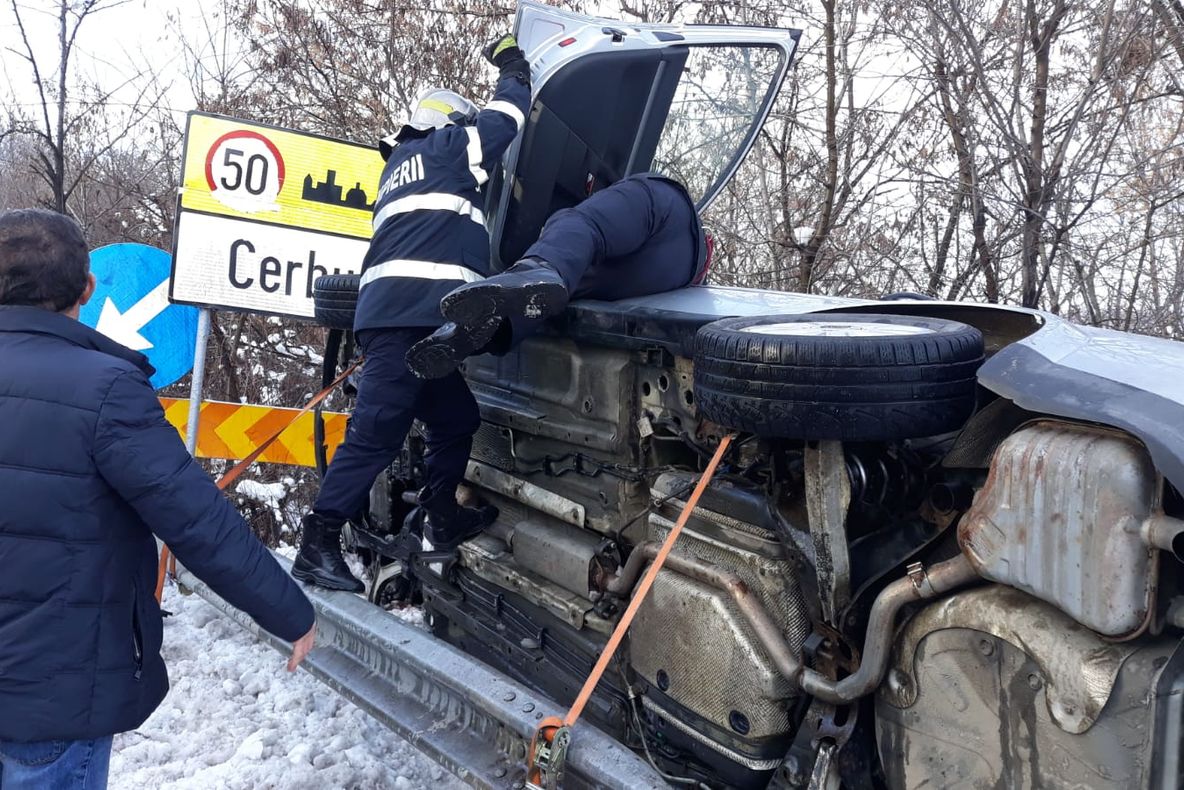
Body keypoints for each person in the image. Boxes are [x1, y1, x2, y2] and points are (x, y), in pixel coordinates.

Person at [0, 209, 316, 790]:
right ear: (88, 289)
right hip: (50, 690)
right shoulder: (104, 387)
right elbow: (195, 519)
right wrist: (288, 612)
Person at [291, 33, 532, 592]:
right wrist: (513, 67)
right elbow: (505, 121)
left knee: (455, 419)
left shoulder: (397, 167)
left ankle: (439, 515)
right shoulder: (446, 150)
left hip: (412, 321)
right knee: (376, 433)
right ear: (448, 124)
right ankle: (317, 542)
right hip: (407, 321)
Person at [405, 173, 711, 380]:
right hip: (663, 277)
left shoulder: (660, 200)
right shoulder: (683, 290)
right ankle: (485, 331)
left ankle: (517, 290)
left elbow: (587, 225)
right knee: (552, 294)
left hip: (668, 209)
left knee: (578, 228)